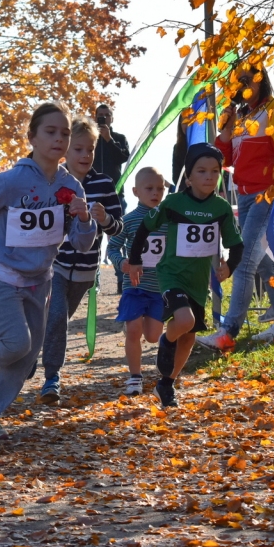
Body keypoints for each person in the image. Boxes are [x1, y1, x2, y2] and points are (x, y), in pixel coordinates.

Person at [0, 103, 96, 439]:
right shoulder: (11, 181)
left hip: (40, 281)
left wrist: (85, 219)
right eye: (50, 131)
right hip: (3, 276)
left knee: (28, 354)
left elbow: (82, 244)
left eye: (64, 133)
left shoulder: (72, 187)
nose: (59, 138)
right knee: (16, 343)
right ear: (32, 136)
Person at [128, 144, 244, 407]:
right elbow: (145, 228)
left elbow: (236, 244)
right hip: (171, 275)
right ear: (188, 177)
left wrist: (230, 267)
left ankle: (166, 385)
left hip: (198, 281)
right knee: (184, 320)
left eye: (215, 171)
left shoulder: (221, 207)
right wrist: (135, 261)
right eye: (201, 171)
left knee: (189, 335)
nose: (209, 177)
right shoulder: (174, 203)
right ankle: (166, 342)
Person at [196, 64, 274, 352]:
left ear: (261, 80)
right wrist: (227, 129)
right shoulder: (242, 115)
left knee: (242, 261)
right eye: (237, 82)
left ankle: (228, 332)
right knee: (264, 263)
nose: (242, 86)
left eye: (247, 80)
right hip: (243, 196)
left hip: (266, 196)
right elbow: (223, 157)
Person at [39, 118, 123, 404]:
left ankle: (30, 358)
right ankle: (51, 377)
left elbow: (118, 228)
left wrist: (105, 219)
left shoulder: (103, 184)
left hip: (86, 271)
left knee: (55, 321)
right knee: (56, 318)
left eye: (90, 150)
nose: (85, 156)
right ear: (66, 151)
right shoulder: (53, 180)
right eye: (78, 150)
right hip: (55, 265)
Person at [106, 166, 167, 396]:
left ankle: (140, 331)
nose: (155, 193)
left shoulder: (167, 220)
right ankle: (135, 376)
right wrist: (122, 263)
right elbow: (112, 247)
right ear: (135, 191)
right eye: (149, 188)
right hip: (135, 286)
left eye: (160, 188)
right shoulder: (129, 220)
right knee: (134, 330)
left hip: (158, 288)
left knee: (152, 336)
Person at [93, 104, 130, 208]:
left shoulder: (120, 138)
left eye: (107, 115)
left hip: (115, 192)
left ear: (112, 119)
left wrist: (109, 140)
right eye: (101, 115)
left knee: (119, 222)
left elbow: (124, 157)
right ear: (95, 118)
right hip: (93, 190)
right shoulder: (90, 138)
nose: (104, 118)